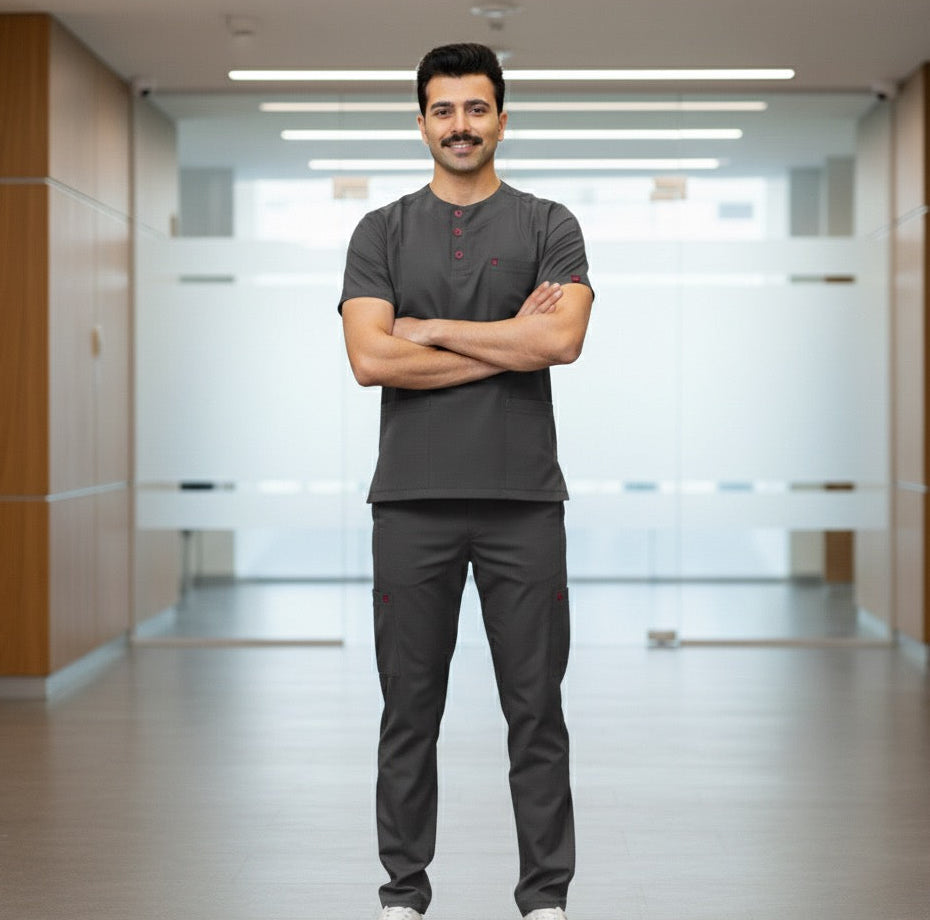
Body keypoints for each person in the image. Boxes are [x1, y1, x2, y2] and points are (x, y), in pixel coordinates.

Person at [339, 42, 594, 920]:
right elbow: (371, 360)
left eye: (476, 108)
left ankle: (545, 898)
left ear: (502, 120)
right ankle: (403, 894)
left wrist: (431, 329)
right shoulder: (380, 232)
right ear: (420, 123)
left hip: (525, 503)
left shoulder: (549, 224)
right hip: (410, 504)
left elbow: (560, 341)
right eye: (444, 110)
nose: (460, 125)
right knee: (409, 711)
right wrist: (504, 344)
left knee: (536, 710)